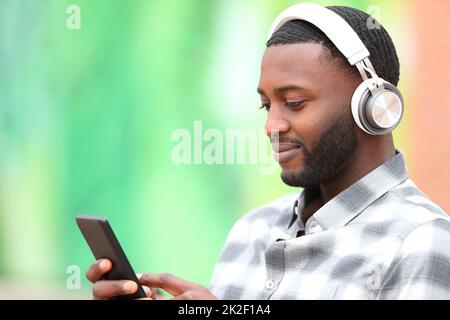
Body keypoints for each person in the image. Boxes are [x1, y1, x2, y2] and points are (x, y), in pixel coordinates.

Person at [85, 3, 450, 300]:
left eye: (293, 102)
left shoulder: (420, 241)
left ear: (373, 107)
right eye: (266, 106)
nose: (271, 127)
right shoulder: (251, 230)